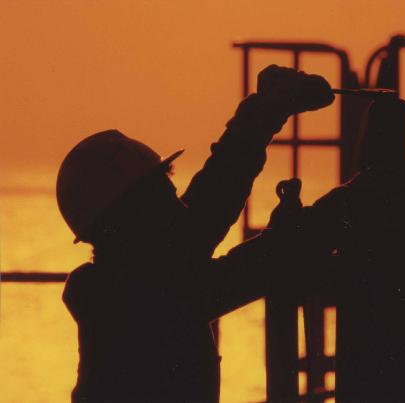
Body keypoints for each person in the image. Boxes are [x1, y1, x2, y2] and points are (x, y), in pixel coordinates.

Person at [57, 65, 363, 402]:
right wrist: (348, 204)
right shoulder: (142, 301)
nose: (178, 207)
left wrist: (265, 111)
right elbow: (239, 256)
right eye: (163, 199)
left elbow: (205, 211)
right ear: (121, 227)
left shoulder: (126, 283)